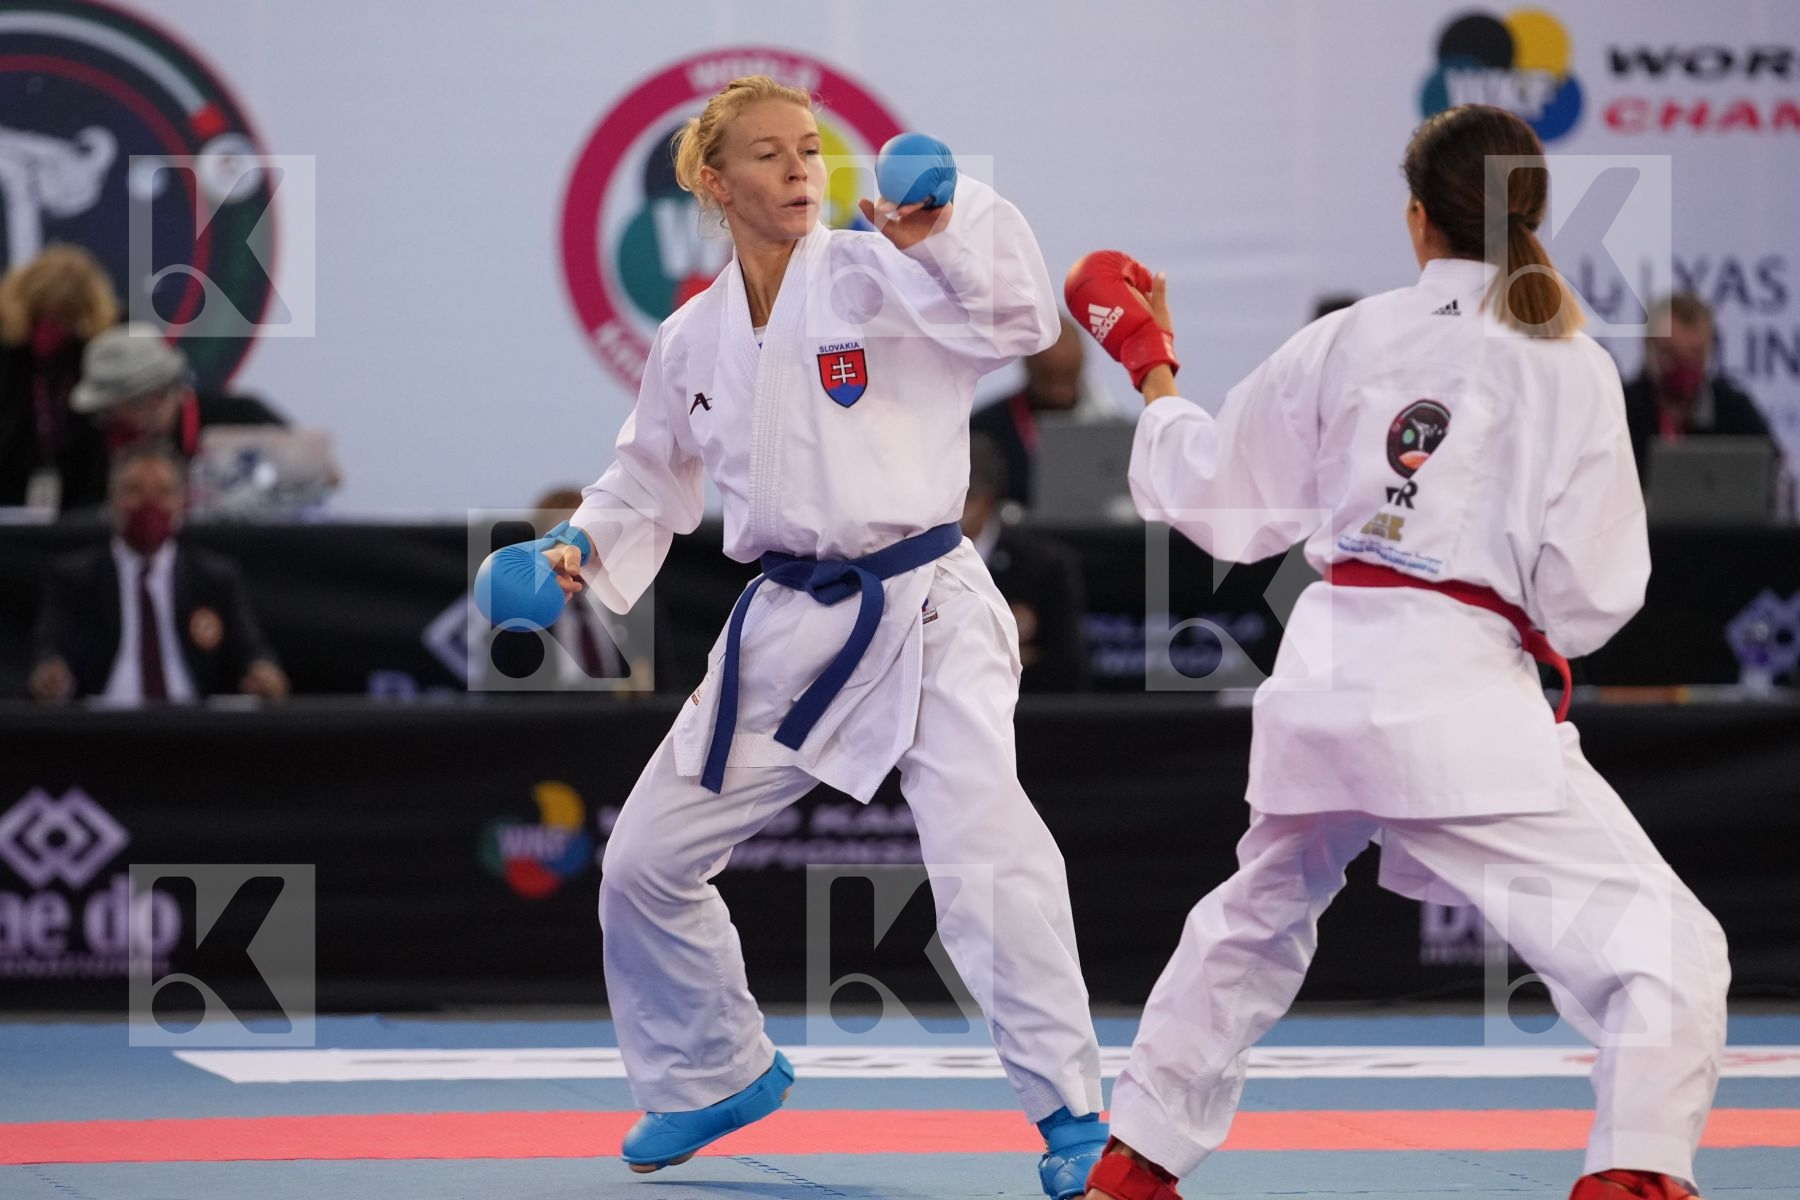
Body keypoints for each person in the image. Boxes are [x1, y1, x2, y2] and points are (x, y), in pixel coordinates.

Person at [1067, 105, 1728, 1200]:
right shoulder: (1569, 365)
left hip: (1325, 674)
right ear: (1531, 216)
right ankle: (1633, 1177)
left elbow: (1221, 506)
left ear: (1418, 220)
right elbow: (1593, 595)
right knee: (1672, 954)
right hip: (1455, 690)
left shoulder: (1347, 338)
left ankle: (1134, 1160)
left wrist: (1151, 362)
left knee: (1255, 915)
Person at [541, 76, 1107, 1196]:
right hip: (793, 619)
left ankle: (1076, 1113)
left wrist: (952, 218)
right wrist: (576, 545)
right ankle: (713, 1075)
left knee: (985, 859)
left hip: (930, 604)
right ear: (715, 182)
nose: (801, 168)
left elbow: (1020, 319)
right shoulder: (693, 335)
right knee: (645, 860)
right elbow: (647, 477)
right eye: (769, 154)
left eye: (809, 150)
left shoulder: (880, 273)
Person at [28, 441, 288, 704]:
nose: (148, 505)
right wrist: (52, 676)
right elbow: (51, 650)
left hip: (192, 727)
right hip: (103, 727)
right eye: (134, 490)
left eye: (163, 492)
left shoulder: (213, 578)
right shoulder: (77, 578)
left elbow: (251, 652)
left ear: (181, 503)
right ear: (112, 499)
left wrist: (263, 674)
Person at [60, 323, 291, 515]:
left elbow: (312, 477)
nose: (106, 417)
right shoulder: (91, 438)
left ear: (155, 397)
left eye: (114, 407)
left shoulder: (241, 417)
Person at [963, 434, 1090, 691]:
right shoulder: (913, 561)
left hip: (1023, 720)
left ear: (984, 501)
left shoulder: (1042, 566)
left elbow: (1067, 667)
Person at [0, 243, 118, 509]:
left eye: (63, 318)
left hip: (85, 493)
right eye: (43, 316)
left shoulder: (101, 356)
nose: (51, 329)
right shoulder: (8, 355)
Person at [1623, 292, 1775, 489]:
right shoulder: (1621, 408)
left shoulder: (1733, 408)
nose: (1685, 365)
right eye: (1671, 353)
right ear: (1649, 346)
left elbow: (1770, 468)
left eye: (1696, 353)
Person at [971, 314, 1087, 506]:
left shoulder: (1106, 430)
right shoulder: (983, 429)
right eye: (1049, 378)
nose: (1059, 393)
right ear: (1028, 367)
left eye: (1068, 378)